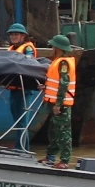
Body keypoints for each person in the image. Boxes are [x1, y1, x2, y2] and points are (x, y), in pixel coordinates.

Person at [28, 35, 76, 169]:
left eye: (54, 46)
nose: (52, 48)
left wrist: (58, 104)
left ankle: (65, 161)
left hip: (61, 104)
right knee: (53, 131)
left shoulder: (64, 63)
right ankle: (50, 157)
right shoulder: (58, 61)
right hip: (53, 102)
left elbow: (63, 83)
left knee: (63, 132)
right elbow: (55, 82)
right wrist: (46, 87)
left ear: (59, 48)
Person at [4, 23, 37, 150]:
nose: (13, 36)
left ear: (23, 36)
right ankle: (19, 147)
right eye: (11, 34)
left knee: (22, 122)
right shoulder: (11, 49)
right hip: (14, 90)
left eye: (16, 34)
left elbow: (28, 63)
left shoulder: (27, 49)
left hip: (24, 90)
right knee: (17, 121)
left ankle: (23, 149)